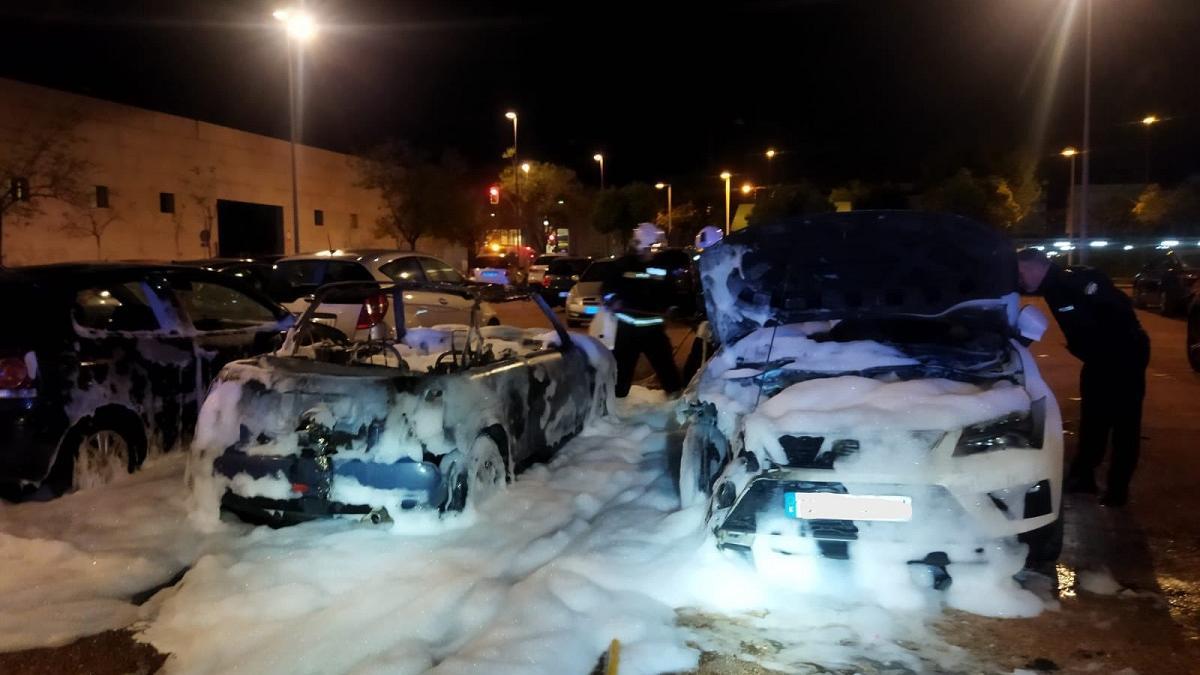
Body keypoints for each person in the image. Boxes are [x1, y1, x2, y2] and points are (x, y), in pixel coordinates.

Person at [1016, 249, 1150, 507]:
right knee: (1093, 417)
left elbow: (1120, 309)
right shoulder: (1054, 287)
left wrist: (1110, 347)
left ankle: (1117, 489)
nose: (1020, 280)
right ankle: (1083, 477)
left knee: (1125, 423)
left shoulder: (1075, 281)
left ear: (1035, 268)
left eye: (1021, 273)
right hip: (1099, 359)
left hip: (1125, 355)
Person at [603, 223, 683, 398]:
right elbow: (606, 289)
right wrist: (613, 301)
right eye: (643, 247)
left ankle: (676, 403)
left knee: (668, 371)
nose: (646, 252)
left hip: (654, 331)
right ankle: (615, 408)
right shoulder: (622, 266)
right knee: (621, 375)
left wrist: (672, 308)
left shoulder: (663, 266)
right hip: (627, 331)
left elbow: (672, 293)